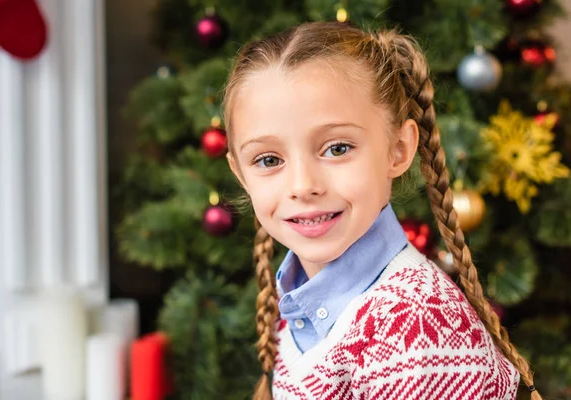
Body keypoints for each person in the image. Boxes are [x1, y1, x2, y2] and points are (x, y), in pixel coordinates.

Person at [223, 21, 540, 400]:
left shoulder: (415, 324)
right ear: (240, 173)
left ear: (399, 149)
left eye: (337, 148)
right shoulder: (300, 297)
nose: (302, 185)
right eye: (269, 159)